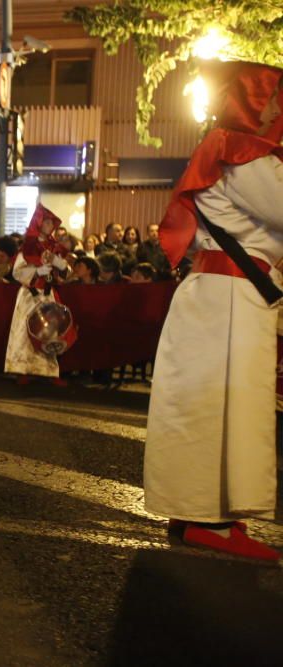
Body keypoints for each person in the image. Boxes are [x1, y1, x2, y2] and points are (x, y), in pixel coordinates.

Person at [145, 60, 283, 562]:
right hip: (231, 296)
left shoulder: (230, 151)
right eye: (268, 99)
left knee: (201, 407)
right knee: (226, 405)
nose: (275, 110)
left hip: (218, 291)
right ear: (249, 101)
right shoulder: (244, 156)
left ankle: (198, 511)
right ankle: (217, 520)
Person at [4, 205, 71, 386]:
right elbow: (17, 272)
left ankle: (50, 371)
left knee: (51, 331)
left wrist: (62, 265)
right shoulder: (28, 246)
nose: (50, 225)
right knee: (27, 331)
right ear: (39, 223)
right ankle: (24, 370)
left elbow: (67, 273)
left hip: (48, 293)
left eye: (52, 223)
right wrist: (38, 272)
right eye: (47, 221)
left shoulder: (55, 247)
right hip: (30, 294)